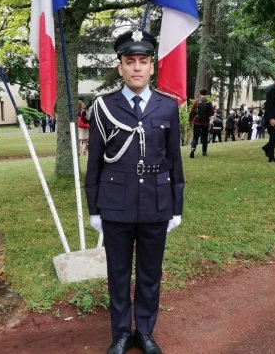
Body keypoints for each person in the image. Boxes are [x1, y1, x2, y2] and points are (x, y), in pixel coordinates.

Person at [85, 30, 184, 354]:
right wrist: (94, 209)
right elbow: (95, 162)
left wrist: (177, 206)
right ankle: (121, 334)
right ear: (120, 67)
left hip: (156, 201)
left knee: (150, 272)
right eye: (131, 62)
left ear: (152, 66)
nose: (137, 68)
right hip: (116, 204)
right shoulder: (104, 107)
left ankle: (144, 331)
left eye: (143, 61)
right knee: (118, 272)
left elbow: (174, 161)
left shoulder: (167, 107)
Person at [188, 88, 215, 158]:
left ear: (200, 93)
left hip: (197, 122)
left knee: (195, 137)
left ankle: (193, 149)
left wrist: (190, 120)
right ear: (206, 94)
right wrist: (207, 115)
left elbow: (191, 112)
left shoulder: (196, 101)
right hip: (205, 123)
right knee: (205, 137)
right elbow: (212, 112)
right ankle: (204, 152)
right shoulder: (209, 102)